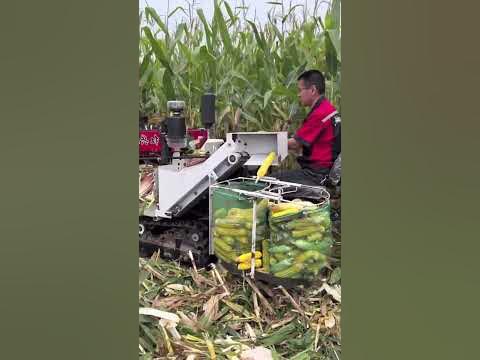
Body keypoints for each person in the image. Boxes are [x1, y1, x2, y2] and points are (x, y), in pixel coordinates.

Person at [272, 69, 340, 186]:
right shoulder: (327, 108)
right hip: (323, 171)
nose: (298, 94)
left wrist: (265, 143)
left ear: (313, 90)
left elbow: (295, 144)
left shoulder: (320, 113)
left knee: (268, 182)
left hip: (317, 174)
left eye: (300, 90)